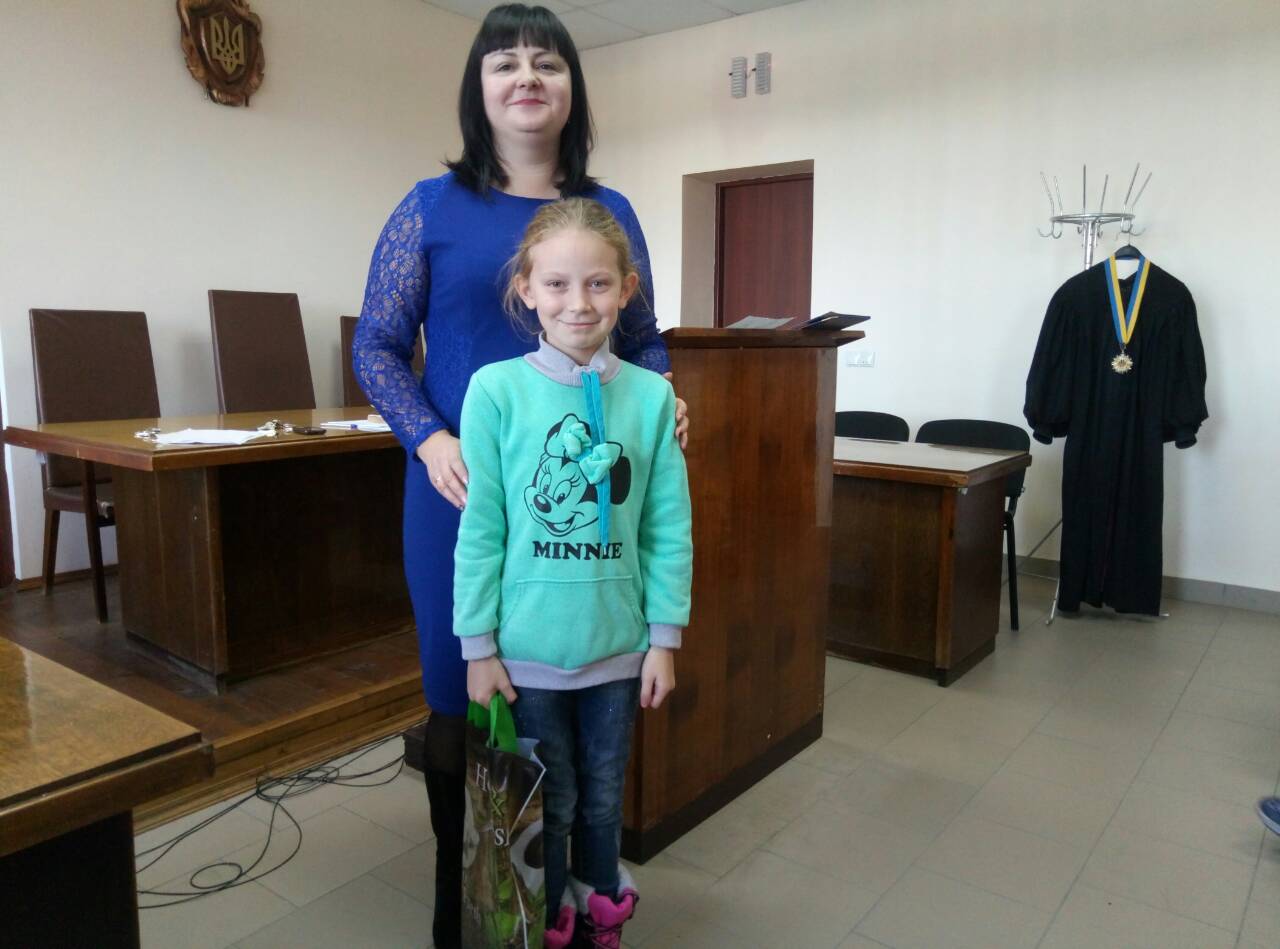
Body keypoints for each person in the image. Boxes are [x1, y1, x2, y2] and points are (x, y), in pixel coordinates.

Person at [351, 6, 688, 947]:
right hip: (457, 492)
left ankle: (566, 896)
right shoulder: (429, 206)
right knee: (462, 694)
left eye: (548, 62)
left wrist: (667, 398)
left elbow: (643, 339)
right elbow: (375, 344)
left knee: (577, 703)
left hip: (579, 510)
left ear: (573, 87)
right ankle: (462, 897)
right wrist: (428, 438)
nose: (527, 76)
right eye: (505, 62)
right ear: (480, 87)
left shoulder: (609, 211)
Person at [455, 197, 692, 948]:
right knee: (546, 804)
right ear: (526, 289)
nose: (577, 303)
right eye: (556, 284)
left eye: (597, 283)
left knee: (601, 798)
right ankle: (548, 914)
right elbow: (481, 530)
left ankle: (600, 907)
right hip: (525, 655)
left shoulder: (652, 397)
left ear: (626, 289)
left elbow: (666, 528)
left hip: (618, 651)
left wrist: (664, 640)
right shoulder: (495, 390)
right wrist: (478, 648)